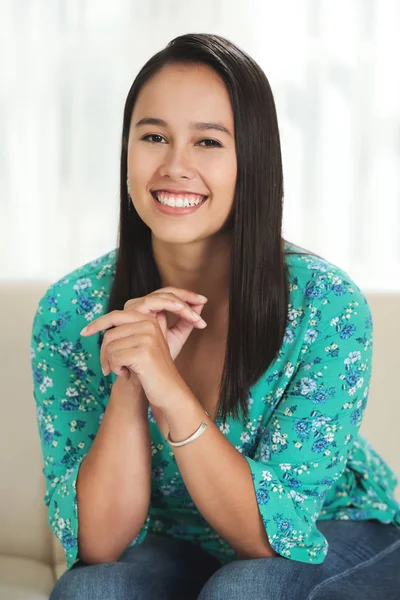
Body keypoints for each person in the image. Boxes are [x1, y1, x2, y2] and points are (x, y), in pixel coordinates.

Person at [31, 32, 400, 600]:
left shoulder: (326, 305)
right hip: (182, 542)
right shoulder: (70, 310)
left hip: (334, 532)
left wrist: (168, 387)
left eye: (208, 142)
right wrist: (133, 378)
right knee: (91, 592)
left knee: (245, 588)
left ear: (251, 159)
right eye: (153, 136)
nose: (175, 166)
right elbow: (99, 544)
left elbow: (269, 538)